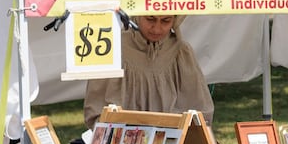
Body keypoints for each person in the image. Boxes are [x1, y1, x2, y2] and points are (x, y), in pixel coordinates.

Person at [83, 14, 214, 127]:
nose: (157, 28)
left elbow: (200, 112)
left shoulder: (181, 52)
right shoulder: (112, 49)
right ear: (138, 15)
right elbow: (96, 110)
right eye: (150, 19)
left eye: (166, 21)